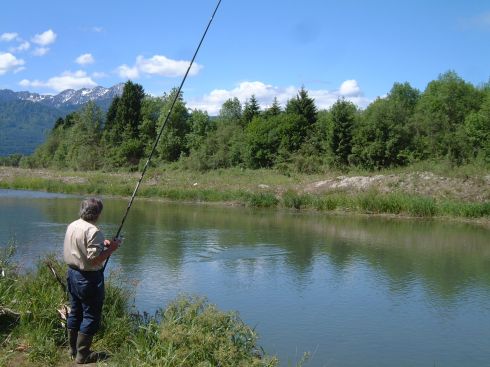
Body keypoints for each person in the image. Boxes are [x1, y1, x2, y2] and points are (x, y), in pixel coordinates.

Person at [63, 198, 121, 364]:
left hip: (72, 274)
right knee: (91, 315)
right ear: (98, 214)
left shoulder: (73, 225)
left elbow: (81, 246)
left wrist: (104, 244)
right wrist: (111, 249)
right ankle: (83, 355)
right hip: (88, 278)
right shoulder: (93, 231)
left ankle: (72, 350)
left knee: (76, 311)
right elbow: (94, 260)